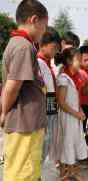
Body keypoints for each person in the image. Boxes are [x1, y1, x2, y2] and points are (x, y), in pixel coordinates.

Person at [1, 0, 48, 180]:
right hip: (24, 123)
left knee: (24, 168)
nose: (43, 33)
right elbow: (12, 87)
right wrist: (4, 112)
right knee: (23, 171)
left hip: (27, 122)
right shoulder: (23, 46)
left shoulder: (20, 44)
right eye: (44, 27)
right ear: (34, 20)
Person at [56, 48, 88, 180]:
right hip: (67, 117)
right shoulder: (64, 78)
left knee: (71, 141)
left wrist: (79, 110)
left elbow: (74, 100)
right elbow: (61, 102)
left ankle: (67, 171)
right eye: (78, 59)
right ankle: (70, 172)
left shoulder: (72, 77)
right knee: (68, 142)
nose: (81, 62)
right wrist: (76, 113)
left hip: (73, 116)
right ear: (69, 61)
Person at [37, 26, 61, 163]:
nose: (56, 51)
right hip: (45, 103)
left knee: (49, 136)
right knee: (44, 138)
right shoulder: (38, 63)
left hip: (51, 102)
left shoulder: (47, 63)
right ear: (43, 44)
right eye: (54, 47)